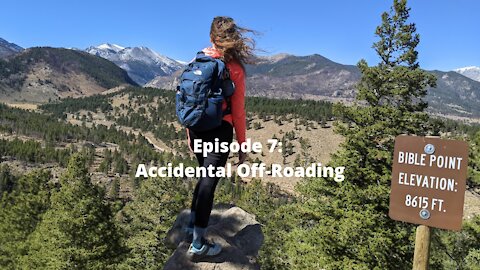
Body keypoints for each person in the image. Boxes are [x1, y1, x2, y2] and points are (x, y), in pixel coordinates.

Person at [185, 16, 256, 261]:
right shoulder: (234, 68)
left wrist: (189, 133)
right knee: (209, 184)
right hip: (219, 131)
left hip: (197, 130)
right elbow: (238, 112)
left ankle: (191, 228)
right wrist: (242, 148)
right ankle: (198, 244)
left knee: (203, 180)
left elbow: (189, 100)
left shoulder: (199, 59)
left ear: (211, 37)